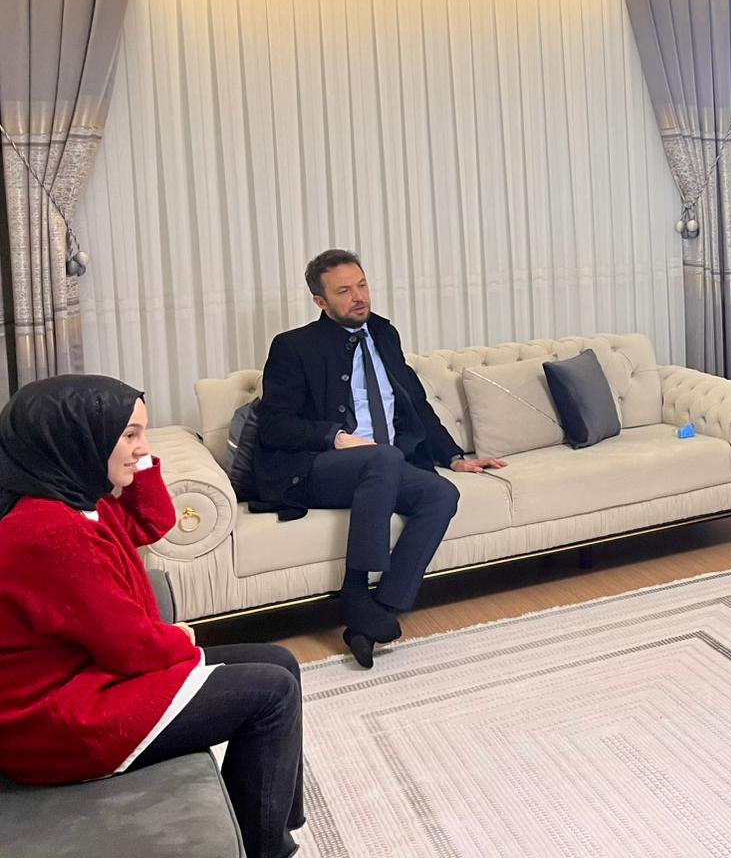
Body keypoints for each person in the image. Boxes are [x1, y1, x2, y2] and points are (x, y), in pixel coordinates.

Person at [0, 376, 303, 858]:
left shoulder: (77, 499)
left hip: (91, 681)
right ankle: (265, 849)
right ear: (77, 438)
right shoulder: (48, 532)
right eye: (129, 435)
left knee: (280, 662)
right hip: (59, 721)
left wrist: (138, 459)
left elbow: (151, 521)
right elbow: (131, 648)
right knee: (271, 693)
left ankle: (277, 823)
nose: (144, 446)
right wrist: (180, 640)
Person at [256, 249, 502, 667]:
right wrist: (335, 437)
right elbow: (274, 425)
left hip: (381, 466)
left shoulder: (384, 333)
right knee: (383, 458)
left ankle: (376, 614)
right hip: (316, 468)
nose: (359, 297)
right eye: (344, 291)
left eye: (362, 285)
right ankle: (355, 592)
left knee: (441, 494)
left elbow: (415, 403)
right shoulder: (294, 346)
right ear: (320, 301)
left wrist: (453, 456)